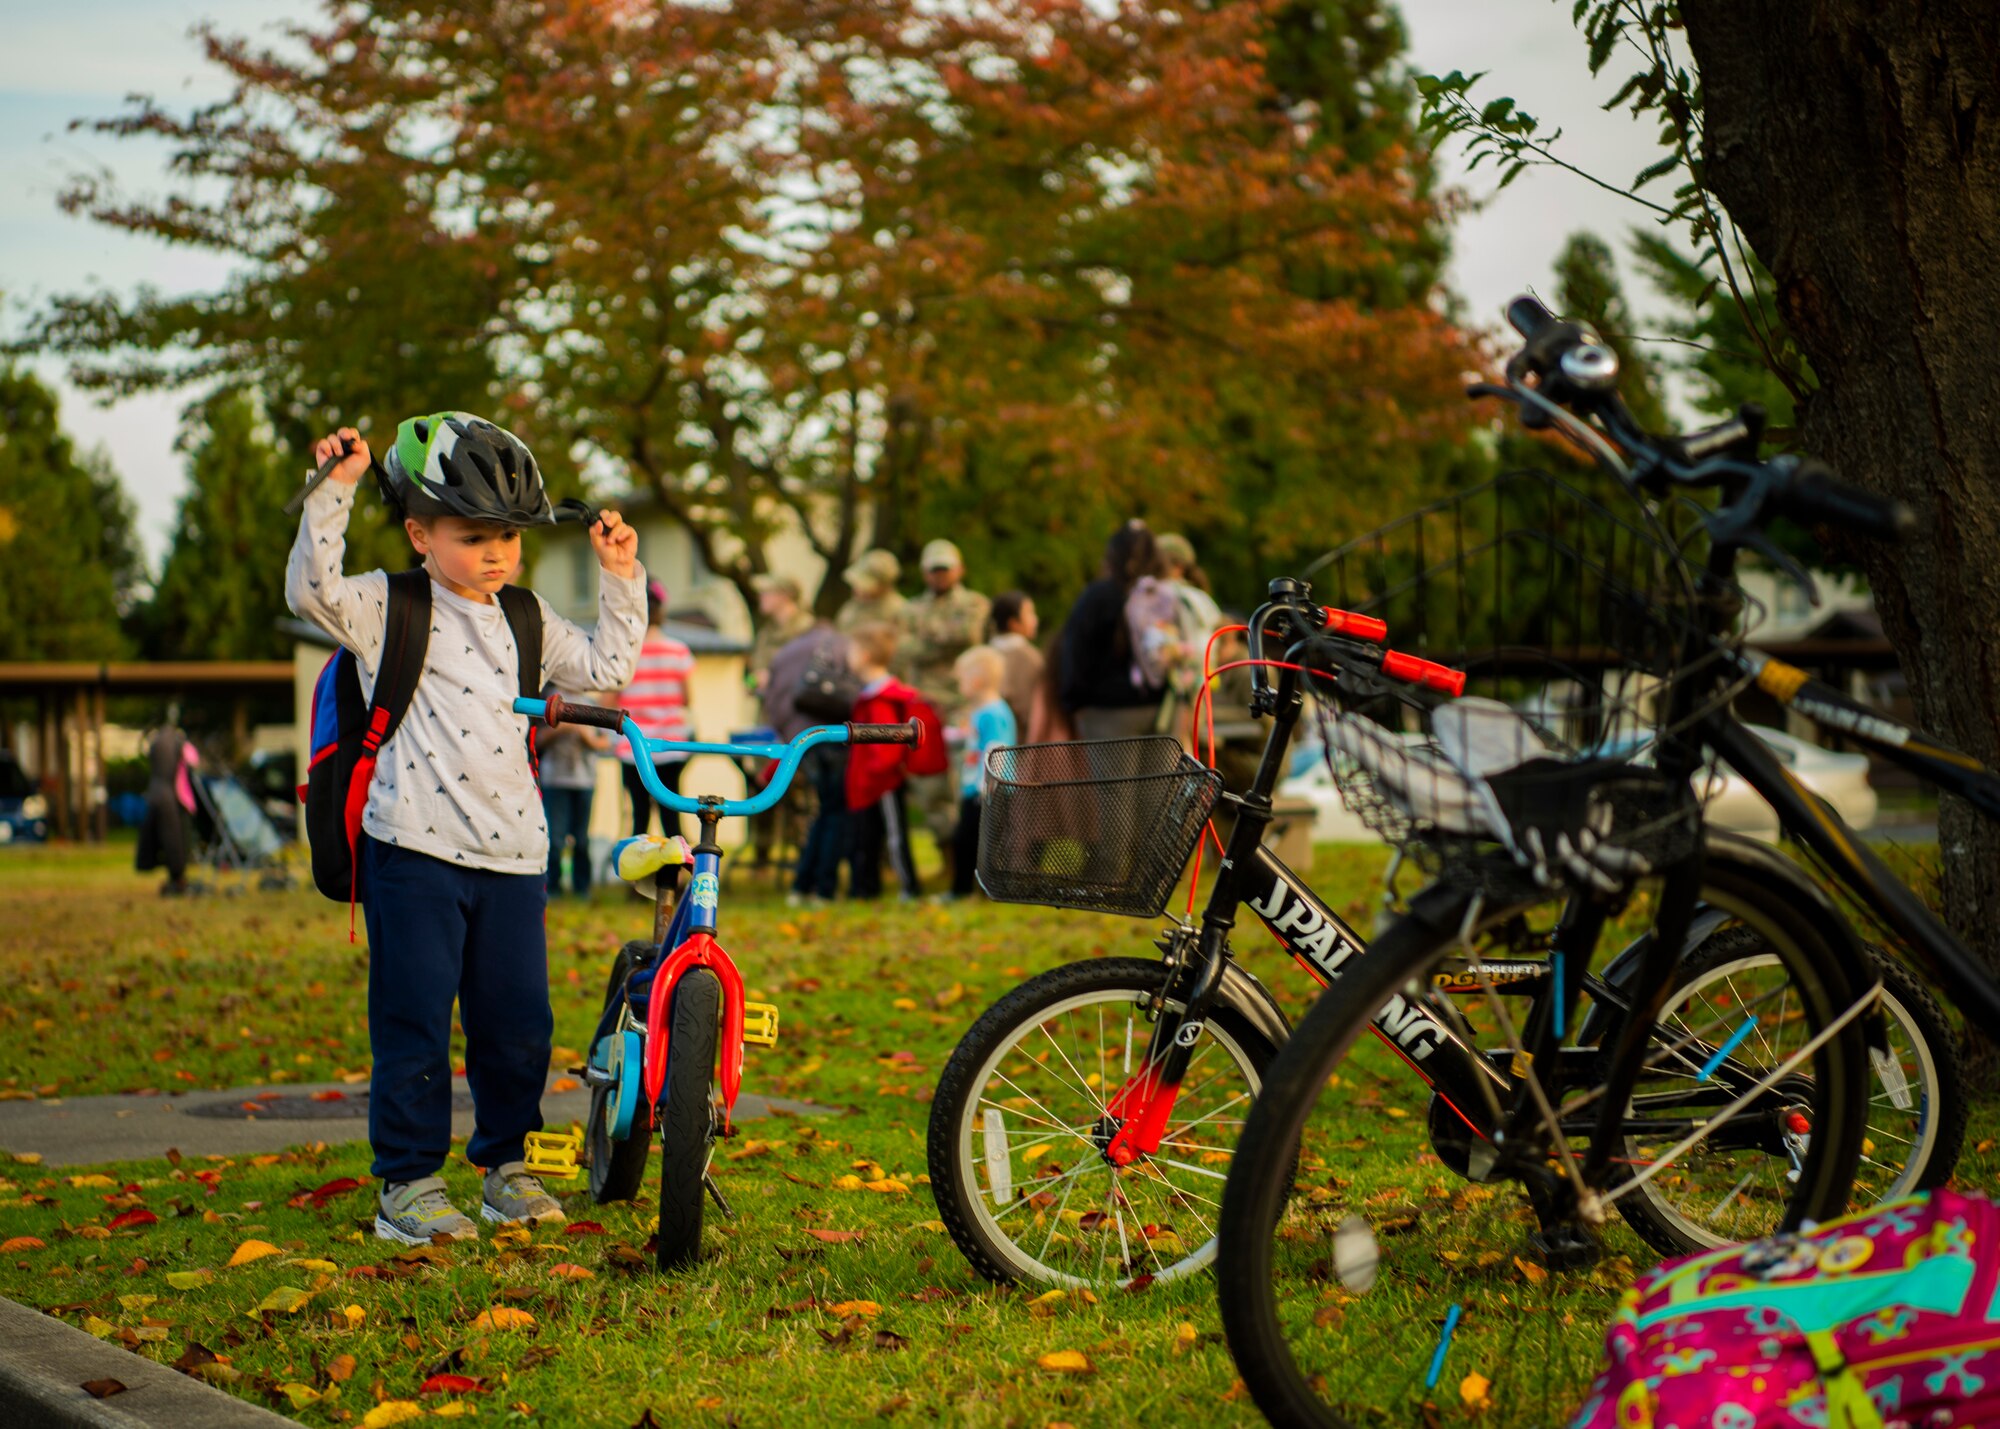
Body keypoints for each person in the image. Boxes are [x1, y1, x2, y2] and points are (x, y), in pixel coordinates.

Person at [286, 414, 643, 1244]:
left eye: (508, 538)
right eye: (473, 535)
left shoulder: (525, 616)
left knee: (518, 1023)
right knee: (413, 1020)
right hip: (412, 851)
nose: (495, 554)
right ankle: (406, 1184)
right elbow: (313, 589)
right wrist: (334, 492)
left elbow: (607, 669)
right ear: (418, 532)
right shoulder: (387, 604)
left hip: (515, 857)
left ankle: (506, 1167)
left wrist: (620, 577)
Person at [901, 538, 991, 870]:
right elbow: (904, 650)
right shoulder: (910, 609)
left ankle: (974, 861)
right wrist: (941, 637)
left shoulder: (975, 603)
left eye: (945, 569)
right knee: (929, 787)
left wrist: (925, 637)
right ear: (924, 573)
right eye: (934, 570)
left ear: (959, 569)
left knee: (966, 782)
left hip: (962, 706)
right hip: (925, 709)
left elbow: (968, 636)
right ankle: (949, 856)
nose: (940, 576)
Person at [844, 620, 942, 899]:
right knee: (870, 837)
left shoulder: (880, 700)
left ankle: (909, 887)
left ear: (864, 655)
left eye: (851, 650)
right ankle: (867, 888)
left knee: (895, 836)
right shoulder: (872, 695)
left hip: (881, 780)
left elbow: (886, 745)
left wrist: (877, 772)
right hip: (871, 779)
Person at [762, 619, 851, 905]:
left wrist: (788, 733)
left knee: (823, 812)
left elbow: (771, 700)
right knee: (835, 812)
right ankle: (823, 887)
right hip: (833, 736)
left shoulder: (785, 652)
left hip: (800, 740)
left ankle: (802, 885)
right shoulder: (840, 646)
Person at [1055, 519, 1168, 740]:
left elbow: (1076, 652)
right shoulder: (1165, 595)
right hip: (1163, 710)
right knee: (1161, 775)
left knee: (1114, 775)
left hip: (1107, 711)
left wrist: (1073, 701)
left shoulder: (1098, 597)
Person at [617, 581, 695, 841]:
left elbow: (609, 698)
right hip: (671, 744)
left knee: (639, 816)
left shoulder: (625, 653)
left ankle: (637, 877)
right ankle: (681, 874)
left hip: (634, 747)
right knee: (671, 814)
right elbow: (687, 699)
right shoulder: (679, 650)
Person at [949, 645, 1017, 899]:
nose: (959, 686)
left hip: (988, 790)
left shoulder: (995, 713)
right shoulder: (980, 712)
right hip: (975, 787)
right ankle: (971, 889)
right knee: (968, 841)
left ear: (976, 681)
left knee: (975, 842)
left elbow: (996, 749)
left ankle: (969, 890)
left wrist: (985, 786)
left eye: (961, 680)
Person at [539, 684, 610, 897]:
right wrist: (560, 729)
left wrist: (586, 736)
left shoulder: (590, 702)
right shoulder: (548, 697)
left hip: (584, 780)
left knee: (582, 837)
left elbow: (604, 741)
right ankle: (553, 887)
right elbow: (536, 739)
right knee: (555, 837)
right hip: (554, 779)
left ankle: (582, 887)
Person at [135, 719, 199, 896]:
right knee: (175, 840)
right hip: (171, 797)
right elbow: (194, 759)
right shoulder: (178, 742)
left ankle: (174, 877)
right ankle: (178, 879)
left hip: (154, 794)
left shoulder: (156, 743)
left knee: (164, 840)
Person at [987, 591, 1044, 736]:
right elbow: (1032, 709)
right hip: (1021, 742)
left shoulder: (985, 653)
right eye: (1030, 613)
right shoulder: (1030, 657)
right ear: (1014, 623)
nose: (1035, 620)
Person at [748, 572, 815, 694]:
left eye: (766, 592)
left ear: (784, 596)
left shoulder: (807, 630)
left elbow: (813, 674)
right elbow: (752, 676)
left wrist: (774, 678)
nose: (761, 597)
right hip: (770, 706)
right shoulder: (765, 633)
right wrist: (750, 683)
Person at [836, 548, 906, 635]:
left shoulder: (898, 612)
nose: (857, 589)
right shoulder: (855, 604)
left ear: (884, 585)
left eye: (864, 585)